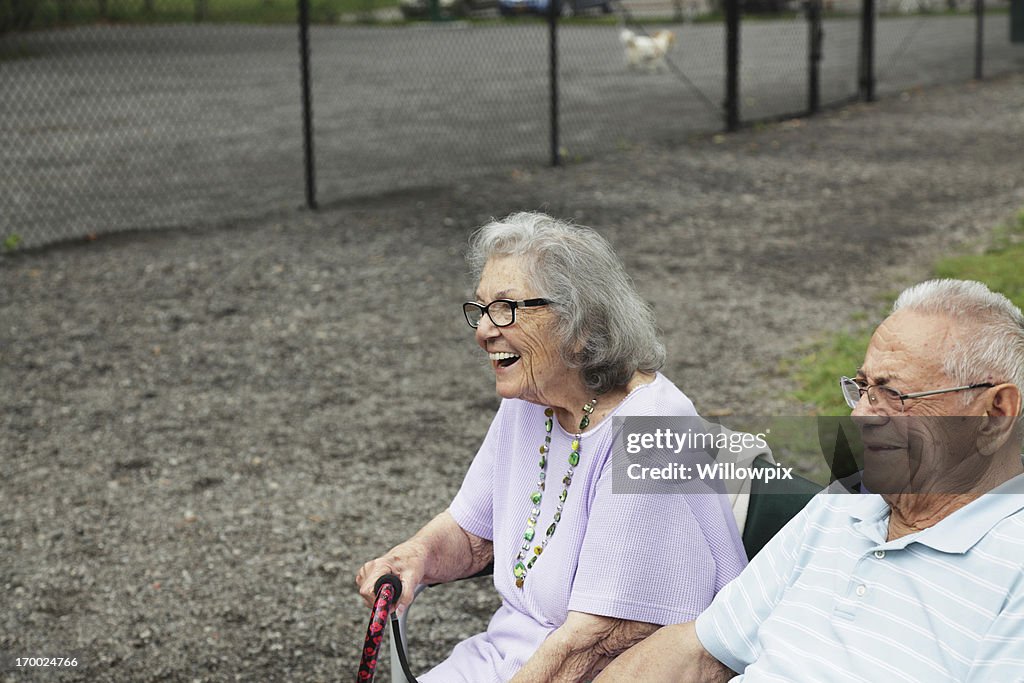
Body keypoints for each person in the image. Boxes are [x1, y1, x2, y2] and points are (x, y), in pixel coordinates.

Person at [355, 212, 748, 682]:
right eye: (480, 309)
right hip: (503, 660)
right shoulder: (532, 398)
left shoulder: (649, 430)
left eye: (506, 308)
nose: (483, 331)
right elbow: (474, 537)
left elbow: (598, 639)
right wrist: (413, 557)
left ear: (579, 324)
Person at [595, 278, 1024, 683]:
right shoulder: (843, 504)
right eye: (862, 388)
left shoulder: (1012, 567)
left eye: (893, 395)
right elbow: (700, 650)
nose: (859, 415)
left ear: (995, 413)